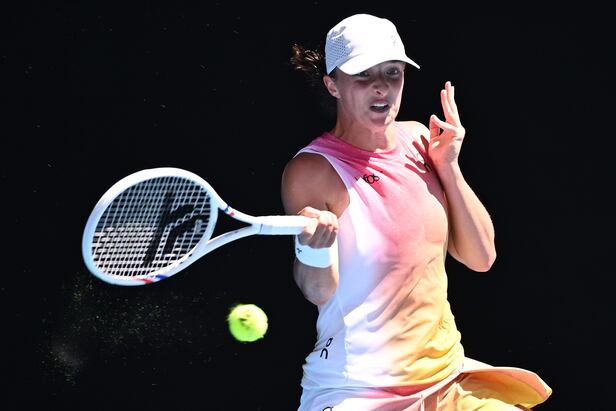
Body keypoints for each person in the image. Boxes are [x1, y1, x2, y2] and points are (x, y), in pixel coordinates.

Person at [281, 13, 552, 411]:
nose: (381, 86)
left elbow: (481, 257)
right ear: (332, 85)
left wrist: (449, 167)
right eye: (363, 74)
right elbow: (318, 291)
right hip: (359, 390)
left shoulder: (422, 141)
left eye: (392, 72)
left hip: (447, 379)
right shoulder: (312, 171)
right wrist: (313, 248)